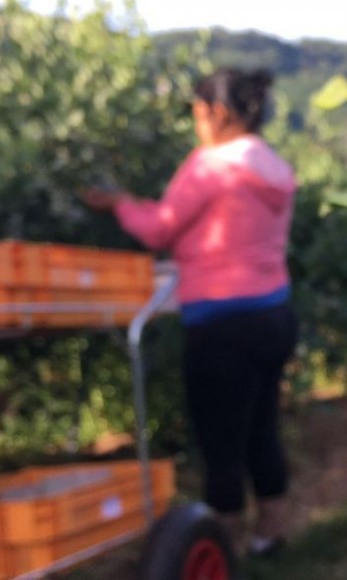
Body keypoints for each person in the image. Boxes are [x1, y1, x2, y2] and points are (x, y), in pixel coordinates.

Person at [82, 66, 298, 555]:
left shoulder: (210, 166)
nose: (196, 124)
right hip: (274, 315)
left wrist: (119, 204)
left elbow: (159, 229)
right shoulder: (275, 167)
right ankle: (271, 536)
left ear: (218, 113)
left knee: (219, 440)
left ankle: (217, 549)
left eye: (198, 113)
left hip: (221, 322)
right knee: (261, 427)